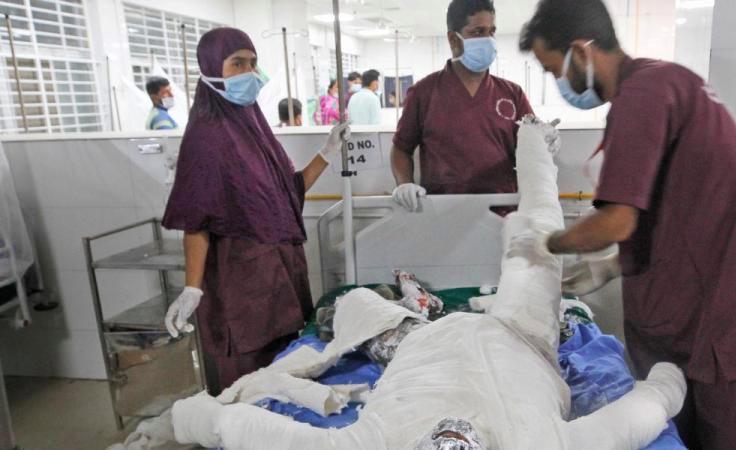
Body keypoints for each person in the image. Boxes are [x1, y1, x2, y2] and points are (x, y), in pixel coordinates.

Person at [171, 118, 689, 450]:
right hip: (522, 337)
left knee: (356, 303)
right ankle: (533, 141)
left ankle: (377, 315)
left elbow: (238, 428)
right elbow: (648, 407)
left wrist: (185, 415)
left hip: (418, 344)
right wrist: (671, 377)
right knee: (537, 241)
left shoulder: (368, 445)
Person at [512, 1, 736, 449]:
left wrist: (545, 243)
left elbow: (617, 220)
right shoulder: (667, 84)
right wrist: (613, 265)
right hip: (709, 324)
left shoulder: (644, 95)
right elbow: (680, 208)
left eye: (552, 71)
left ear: (580, 53)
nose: (558, 84)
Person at [161, 27, 349, 395]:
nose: (249, 73)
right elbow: (197, 222)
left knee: (286, 375)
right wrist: (192, 288)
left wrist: (327, 153)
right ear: (211, 68)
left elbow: (287, 192)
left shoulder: (253, 127)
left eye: (252, 63)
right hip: (241, 290)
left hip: (279, 281)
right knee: (248, 387)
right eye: (237, 64)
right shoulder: (206, 136)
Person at [390, 0, 533, 212]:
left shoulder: (512, 94)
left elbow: (531, 147)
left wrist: (543, 142)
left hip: (502, 213)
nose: (488, 39)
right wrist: (404, 184)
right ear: (453, 38)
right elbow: (401, 149)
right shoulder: (424, 93)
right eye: (478, 32)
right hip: (442, 214)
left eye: (491, 31)